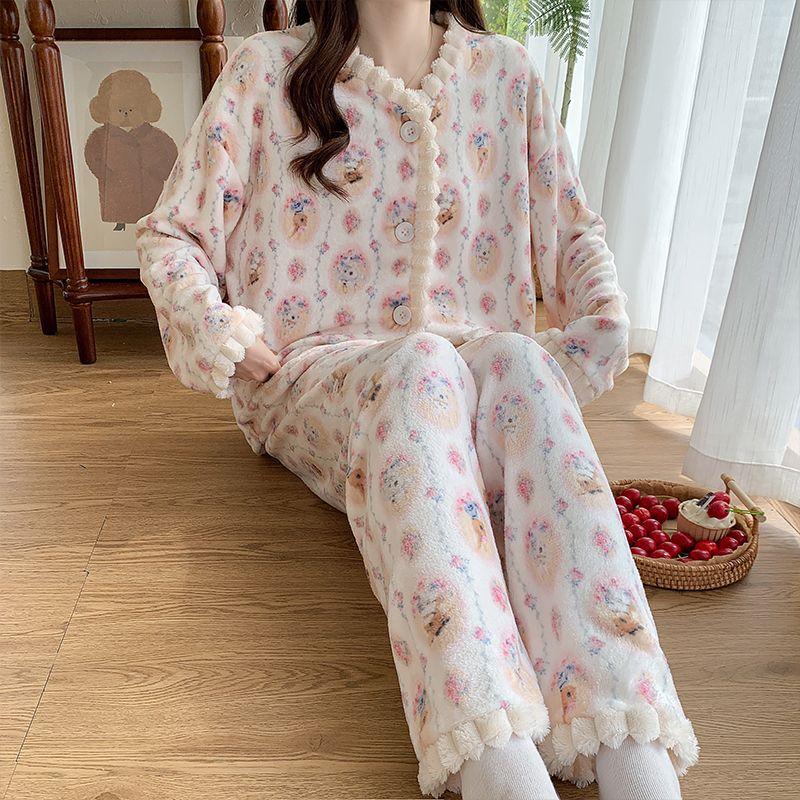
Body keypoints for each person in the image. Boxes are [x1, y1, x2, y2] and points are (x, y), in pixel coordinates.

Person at [135, 2, 698, 798]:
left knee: (522, 361)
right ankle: (492, 752)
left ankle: (631, 735)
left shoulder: (505, 74)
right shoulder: (267, 71)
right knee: (424, 365)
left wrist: (602, 321)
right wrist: (220, 328)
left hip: (474, 365)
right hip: (320, 372)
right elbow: (172, 234)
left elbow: (572, 228)